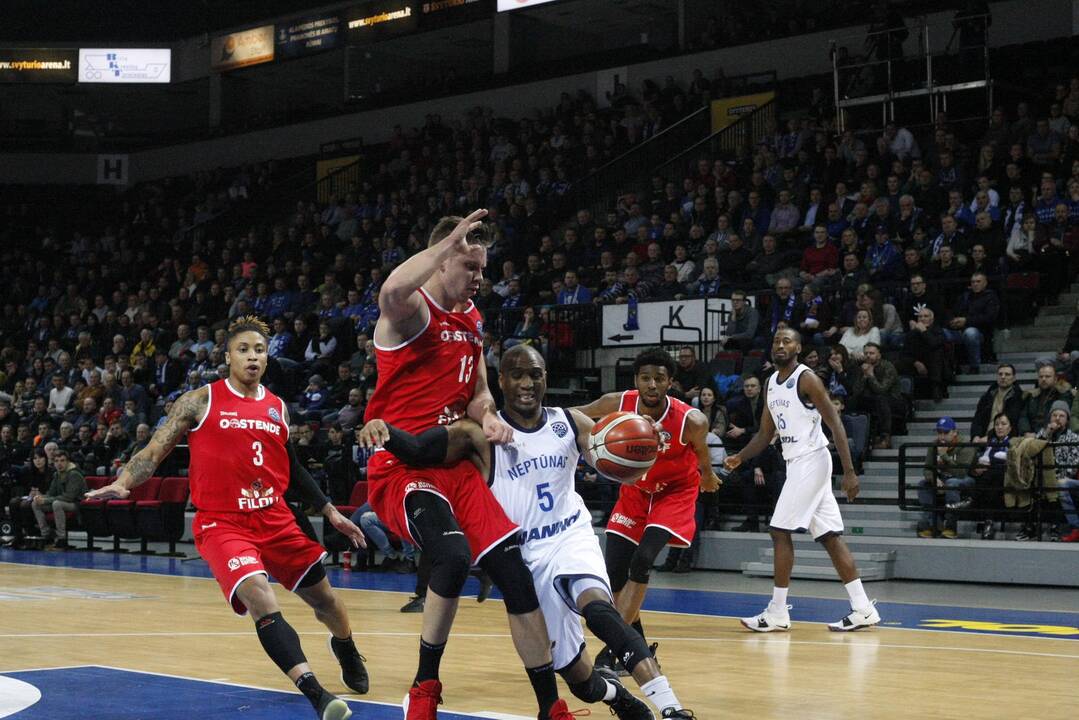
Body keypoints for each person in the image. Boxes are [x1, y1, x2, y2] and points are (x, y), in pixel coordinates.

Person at [361, 344, 695, 718]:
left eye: (535, 374)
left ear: (545, 379)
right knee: (580, 679)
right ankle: (617, 697)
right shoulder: (480, 435)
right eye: (517, 374)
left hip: (570, 536)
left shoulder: (566, 422)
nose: (527, 383)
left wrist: (642, 449)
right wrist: (386, 431)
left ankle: (670, 707)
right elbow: (423, 450)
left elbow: (611, 450)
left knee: (599, 609)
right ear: (500, 381)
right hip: (526, 558)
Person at [87, 316, 368, 720]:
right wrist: (124, 482)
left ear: (266, 358)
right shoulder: (199, 401)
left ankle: (345, 645)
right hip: (222, 522)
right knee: (260, 595)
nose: (252, 357)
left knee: (326, 602)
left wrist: (328, 510)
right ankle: (317, 694)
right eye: (243, 350)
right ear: (228, 356)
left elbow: (293, 470)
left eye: (259, 351)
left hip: (274, 517)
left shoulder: (277, 408)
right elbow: (152, 452)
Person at [362, 211, 573, 720]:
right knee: (453, 557)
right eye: (470, 265)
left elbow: (476, 392)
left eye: (483, 268)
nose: (479, 277)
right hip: (404, 466)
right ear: (440, 260)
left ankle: (551, 707)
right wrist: (444, 244)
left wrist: (492, 417)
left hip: (455, 463)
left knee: (514, 575)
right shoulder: (412, 312)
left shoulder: (472, 318)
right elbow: (390, 289)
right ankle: (424, 685)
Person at [574, 348, 721, 673]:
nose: (652, 384)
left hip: (674, 493)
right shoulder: (618, 403)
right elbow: (578, 413)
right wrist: (541, 419)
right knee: (613, 578)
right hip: (636, 492)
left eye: (659, 378)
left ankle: (615, 651)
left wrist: (708, 476)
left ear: (670, 382)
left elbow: (701, 452)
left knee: (641, 562)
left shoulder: (690, 419)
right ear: (636, 380)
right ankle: (640, 652)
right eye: (645, 378)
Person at [726, 328, 881, 632]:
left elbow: (834, 422)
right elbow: (765, 435)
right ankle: (863, 608)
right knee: (830, 536)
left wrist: (849, 471)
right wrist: (740, 457)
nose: (780, 345)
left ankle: (778, 611)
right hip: (797, 461)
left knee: (778, 530)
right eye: (776, 341)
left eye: (787, 341)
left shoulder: (806, 378)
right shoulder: (771, 383)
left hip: (812, 459)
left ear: (798, 347)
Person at [916, 417, 977, 538]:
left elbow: (961, 472)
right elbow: (927, 468)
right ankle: (935, 524)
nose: (942, 437)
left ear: (954, 432)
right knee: (923, 484)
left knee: (952, 482)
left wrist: (944, 455)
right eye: (939, 433)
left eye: (946, 433)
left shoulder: (966, 445)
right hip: (942, 478)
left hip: (965, 480)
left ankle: (951, 526)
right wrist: (933, 478)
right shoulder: (934, 445)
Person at [28, 447, 87, 550]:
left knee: (57, 504)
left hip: (76, 504)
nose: (59, 464)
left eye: (62, 461)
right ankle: (46, 535)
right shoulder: (57, 474)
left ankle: (61, 539)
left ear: (68, 462)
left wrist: (45, 500)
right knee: (35, 503)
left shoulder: (74, 474)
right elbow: (51, 493)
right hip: (62, 501)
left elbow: (69, 497)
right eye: (56, 461)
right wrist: (40, 497)